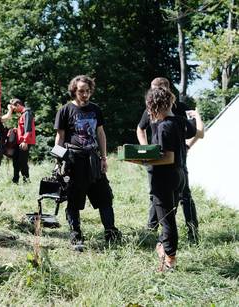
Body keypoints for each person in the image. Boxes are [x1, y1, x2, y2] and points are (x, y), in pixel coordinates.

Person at [130, 87, 203, 271]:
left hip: (164, 178)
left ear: (154, 106)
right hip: (179, 175)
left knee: (167, 222)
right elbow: (195, 131)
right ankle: (163, 247)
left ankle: (170, 260)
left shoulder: (163, 127)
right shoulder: (179, 121)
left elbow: (167, 157)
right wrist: (197, 115)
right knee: (170, 216)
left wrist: (139, 160)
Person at [54, 75, 121, 247]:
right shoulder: (65, 110)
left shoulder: (96, 109)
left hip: (93, 159)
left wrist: (104, 158)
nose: (84, 94)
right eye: (81, 91)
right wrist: (58, 162)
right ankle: (75, 235)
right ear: (74, 91)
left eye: (87, 91)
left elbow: (100, 134)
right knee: (74, 199)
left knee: (105, 197)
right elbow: (59, 138)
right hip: (74, 160)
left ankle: (111, 232)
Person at [9, 98, 35, 183]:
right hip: (20, 142)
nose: (14, 110)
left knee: (23, 162)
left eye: (14, 108)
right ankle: (15, 180)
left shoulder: (27, 113)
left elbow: (28, 129)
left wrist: (25, 141)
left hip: (24, 142)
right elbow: (23, 127)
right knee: (16, 160)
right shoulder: (23, 114)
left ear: (18, 105)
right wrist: (17, 130)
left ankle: (26, 181)